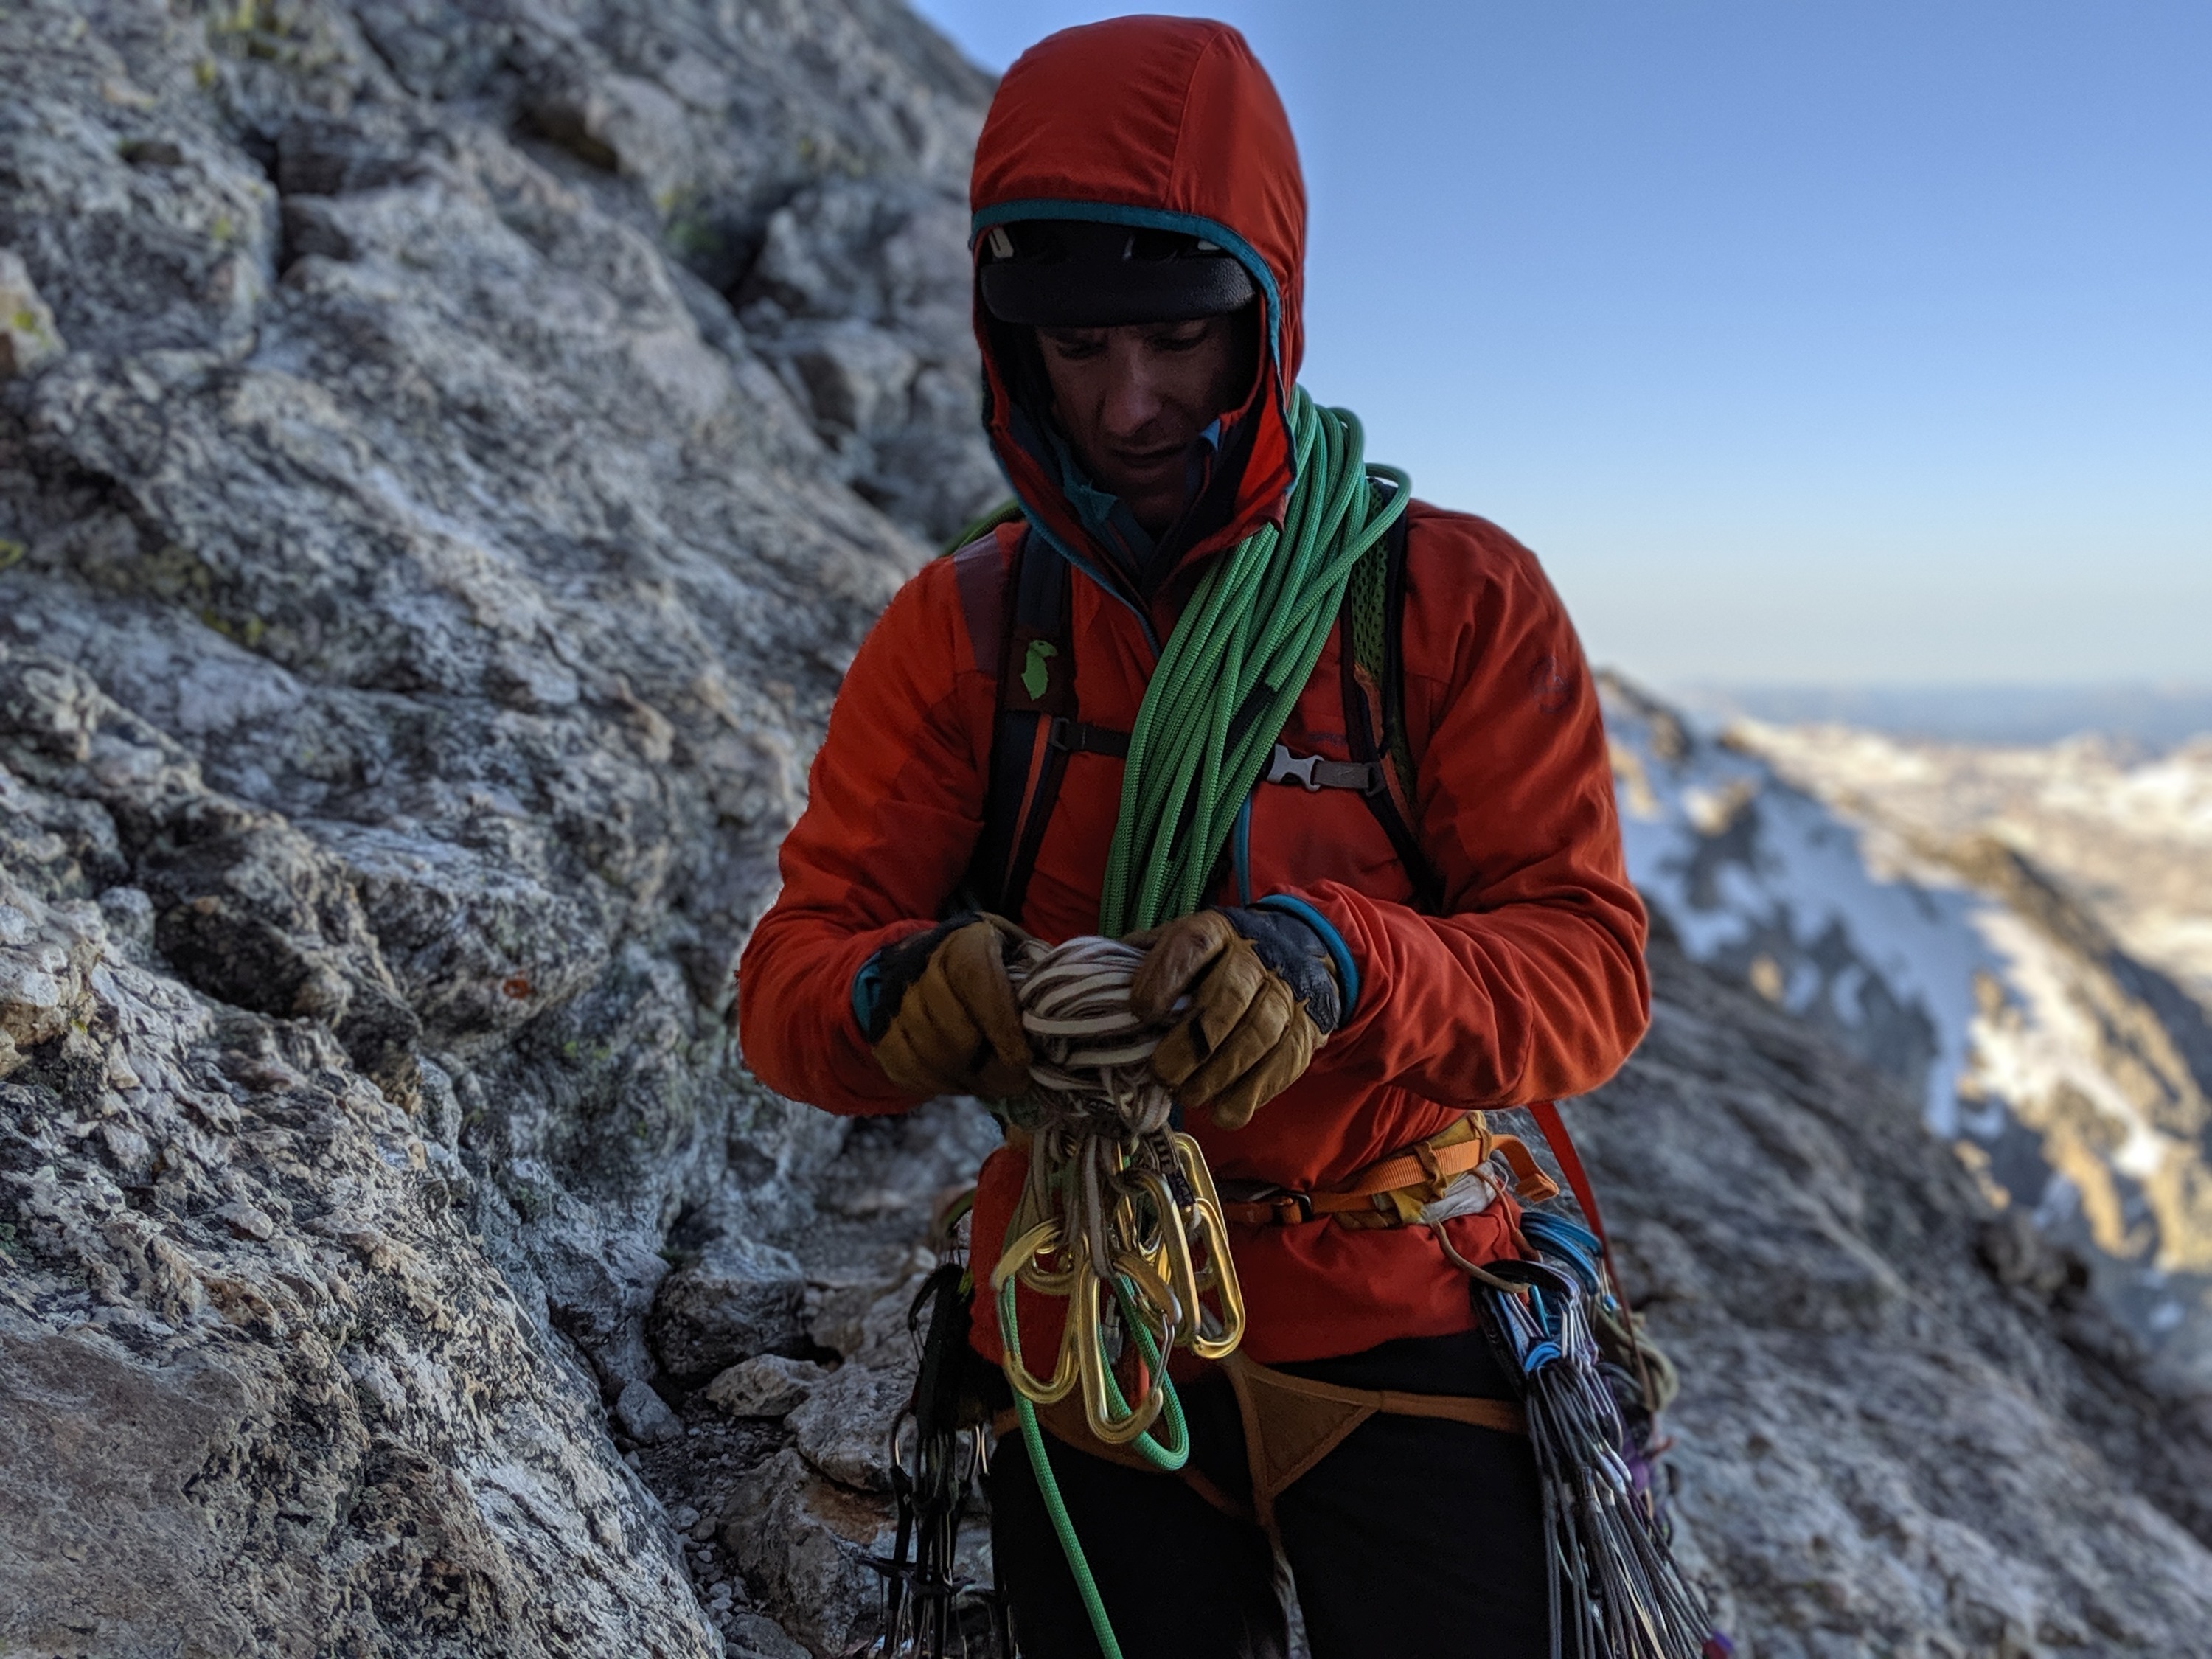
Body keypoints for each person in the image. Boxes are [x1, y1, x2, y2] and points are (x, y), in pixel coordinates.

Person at [738, 16, 1649, 1658]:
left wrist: (1333, 961)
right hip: (1093, 1311)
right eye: (1078, 347)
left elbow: (1585, 973)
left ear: (1268, 313)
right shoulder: (964, 632)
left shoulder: (1446, 603)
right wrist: (913, 996)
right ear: (1009, 340)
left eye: (1178, 337)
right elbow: (790, 987)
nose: (1132, 402)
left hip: (1394, 1290)